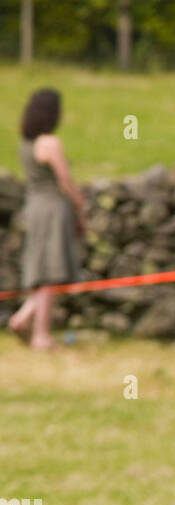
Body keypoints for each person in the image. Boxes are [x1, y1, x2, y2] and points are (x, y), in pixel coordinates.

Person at [9, 88, 85, 351]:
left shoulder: (25, 143)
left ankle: (22, 318)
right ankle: (41, 335)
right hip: (53, 208)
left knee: (43, 271)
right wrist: (80, 206)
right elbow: (65, 181)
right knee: (51, 271)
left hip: (35, 206)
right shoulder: (50, 143)